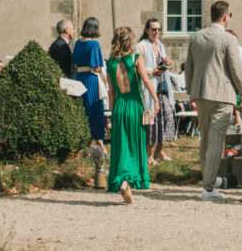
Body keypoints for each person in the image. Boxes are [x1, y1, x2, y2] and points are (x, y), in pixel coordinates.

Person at [184, 0, 242, 200]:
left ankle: (209, 180)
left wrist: (191, 91)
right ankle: (209, 187)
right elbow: (236, 70)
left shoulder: (196, 36)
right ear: (225, 16)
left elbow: (189, 67)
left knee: (205, 139)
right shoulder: (228, 39)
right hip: (222, 94)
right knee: (216, 141)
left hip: (201, 93)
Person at [104, 25, 154, 203]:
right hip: (134, 105)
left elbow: (111, 92)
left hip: (119, 106)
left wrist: (112, 114)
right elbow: (145, 80)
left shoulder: (110, 63)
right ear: (130, 41)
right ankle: (127, 181)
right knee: (134, 146)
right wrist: (155, 100)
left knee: (121, 147)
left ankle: (124, 182)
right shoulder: (136, 58)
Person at [138, 18, 177, 162]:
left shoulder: (160, 44)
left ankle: (159, 150)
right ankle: (148, 155)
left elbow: (167, 63)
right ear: (147, 30)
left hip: (162, 88)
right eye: (154, 29)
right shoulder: (141, 46)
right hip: (150, 88)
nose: (156, 32)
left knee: (167, 117)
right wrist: (151, 71)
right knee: (150, 121)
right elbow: (138, 68)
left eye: (159, 29)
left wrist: (169, 63)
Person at [72, 18, 107, 151]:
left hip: (80, 79)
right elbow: (97, 67)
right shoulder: (94, 44)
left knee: (84, 111)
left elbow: (75, 63)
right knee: (95, 110)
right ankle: (101, 146)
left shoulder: (77, 43)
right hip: (92, 79)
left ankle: (86, 145)